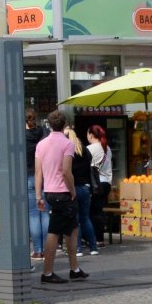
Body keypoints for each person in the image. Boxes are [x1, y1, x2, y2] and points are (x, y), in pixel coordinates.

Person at [36, 109, 87, 284]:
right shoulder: (67, 144)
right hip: (63, 192)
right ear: (64, 124)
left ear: (49, 124)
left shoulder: (41, 145)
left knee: (72, 227)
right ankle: (47, 273)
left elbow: (38, 172)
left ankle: (75, 269)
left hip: (49, 191)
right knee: (54, 231)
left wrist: (38, 196)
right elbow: (66, 171)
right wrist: (72, 190)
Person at [67, 128, 98, 256]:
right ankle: (93, 247)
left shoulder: (68, 152)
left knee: (76, 219)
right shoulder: (85, 150)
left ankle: (78, 248)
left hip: (73, 188)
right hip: (85, 187)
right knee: (85, 218)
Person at [24, 108, 48, 261]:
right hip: (44, 176)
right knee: (45, 213)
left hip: (29, 176)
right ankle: (47, 248)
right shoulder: (43, 133)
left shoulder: (21, 135)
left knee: (33, 215)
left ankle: (37, 251)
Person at [87, 125, 112, 248]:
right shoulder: (107, 148)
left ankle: (94, 238)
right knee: (99, 211)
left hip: (96, 184)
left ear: (91, 135)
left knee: (92, 212)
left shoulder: (90, 149)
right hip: (107, 183)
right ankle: (100, 238)